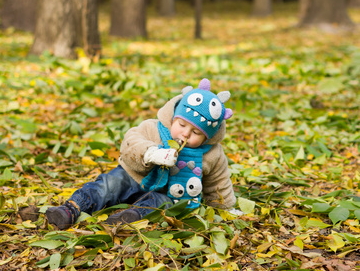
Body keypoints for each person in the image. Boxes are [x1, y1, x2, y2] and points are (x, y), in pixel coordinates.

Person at [46, 78, 236, 230]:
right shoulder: (153, 128)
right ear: (173, 118)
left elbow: (219, 183)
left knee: (164, 206)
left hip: (168, 194)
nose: (186, 133)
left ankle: (129, 218)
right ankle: (72, 208)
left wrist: (225, 209)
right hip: (133, 177)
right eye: (182, 125)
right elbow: (131, 142)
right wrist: (150, 153)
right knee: (109, 185)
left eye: (196, 133)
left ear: (207, 138)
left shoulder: (212, 154)